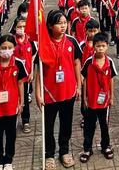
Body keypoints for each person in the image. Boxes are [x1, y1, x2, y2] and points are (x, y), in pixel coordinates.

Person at [35, 10, 81, 170]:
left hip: (68, 91)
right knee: (48, 125)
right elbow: (38, 71)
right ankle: (49, 155)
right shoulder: (44, 44)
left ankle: (64, 151)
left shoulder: (72, 42)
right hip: (49, 94)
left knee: (66, 124)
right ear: (49, 25)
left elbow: (76, 64)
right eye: (59, 23)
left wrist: (79, 86)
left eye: (64, 23)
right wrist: (38, 93)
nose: (63, 26)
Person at [0, 34, 27, 170]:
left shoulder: (18, 64)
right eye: (3, 48)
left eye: (9, 47)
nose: (6, 50)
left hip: (12, 107)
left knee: (10, 135)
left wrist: (21, 103)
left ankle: (8, 160)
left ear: (14, 48)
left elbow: (21, 84)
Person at [79, 33, 117, 163]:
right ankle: (87, 148)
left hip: (104, 102)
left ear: (107, 47)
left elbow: (111, 80)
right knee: (89, 126)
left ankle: (105, 146)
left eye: (103, 46)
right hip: (91, 101)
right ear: (93, 47)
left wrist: (112, 96)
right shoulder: (89, 62)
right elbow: (84, 80)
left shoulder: (110, 62)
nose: (100, 48)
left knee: (104, 125)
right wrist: (84, 97)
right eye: (98, 46)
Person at [12, 18, 37, 133]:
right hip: (12, 77)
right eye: (19, 27)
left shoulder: (30, 41)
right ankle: (11, 119)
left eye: (24, 27)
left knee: (25, 98)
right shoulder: (11, 41)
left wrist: (31, 72)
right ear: (15, 28)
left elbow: (33, 57)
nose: (22, 29)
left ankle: (25, 120)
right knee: (13, 97)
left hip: (25, 76)